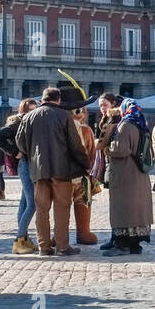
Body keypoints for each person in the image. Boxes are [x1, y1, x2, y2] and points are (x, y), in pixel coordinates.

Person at [16, 87, 88, 256]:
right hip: (62, 170)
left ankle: (44, 247)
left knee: (42, 209)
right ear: (58, 100)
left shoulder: (29, 117)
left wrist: (32, 152)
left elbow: (20, 143)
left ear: (43, 99)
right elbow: (75, 144)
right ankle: (62, 246)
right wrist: (85, 162)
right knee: (62, 208)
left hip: (38, 170)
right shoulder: (64, 115)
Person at [97, 98, 154, 255]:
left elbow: (120, 150)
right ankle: (135, 244)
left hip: (125, 173)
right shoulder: (140, 123)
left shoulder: (126, 125)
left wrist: (106, 148)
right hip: (138, 174)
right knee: (136, 209)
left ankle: (122, 244)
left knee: (123, 208)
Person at [0, 99, 38, 254]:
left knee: (24, 204)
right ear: (22, 110)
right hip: (25, 164)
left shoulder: (31, 122)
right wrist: (14, 151)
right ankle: (19, 240)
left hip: (30, 164)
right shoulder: (17, 123)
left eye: (34, 109)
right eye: (29, 110)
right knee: (33, 204)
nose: (32, 112)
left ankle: (24, 239)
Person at [69, 103, 99, 245]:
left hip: (69, 175)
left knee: (64, 205)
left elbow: (92, 151)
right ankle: (82, 233)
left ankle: (62, 235)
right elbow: (92, 153)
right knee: (80, 203)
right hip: (81, 174)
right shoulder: (84, 130)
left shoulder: (85, 130)